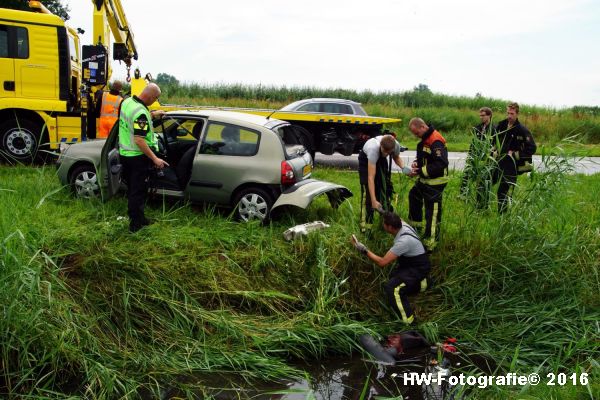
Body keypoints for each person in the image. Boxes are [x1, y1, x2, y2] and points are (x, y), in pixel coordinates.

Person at [351, 212, 431, 324]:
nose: (382, 224)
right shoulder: (402, 224)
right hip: (412, 263)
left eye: (384, 223)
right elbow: (398, 217)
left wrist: (363, 249)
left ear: (390, 227)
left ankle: (408, 320)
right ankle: (423, 284)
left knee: (393, 288)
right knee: (393, 276)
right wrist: (382, 211)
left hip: (418, 268)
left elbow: (382, 262)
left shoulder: (403, 242)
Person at [118, 83, 169, 232]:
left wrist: (152, 114)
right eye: (156, 98)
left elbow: (133, 122)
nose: (155, 101)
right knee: (137, 192)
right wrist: (155, 159)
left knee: (134, 190)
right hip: (137, 157)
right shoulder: (140, 112)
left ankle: (140, 218)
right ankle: (135, 226)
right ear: (151, 96)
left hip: (125, 154)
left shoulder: (127, 102)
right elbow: (139, 140)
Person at [406, 118, 449, 251]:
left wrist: (420, 171)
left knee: (433, 212)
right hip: (425, 180)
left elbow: (441, 163)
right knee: (414, 196)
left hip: (435, 182)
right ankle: (416, 229)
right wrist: (416, 163)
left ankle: (431, 243)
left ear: (423, 127)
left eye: (416, 133)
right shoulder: (426, 138)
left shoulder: (435, 140)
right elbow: (426, 157)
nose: (416, 136)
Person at [358, 134, 410, 230]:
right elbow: (370, 177)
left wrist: (404, 168)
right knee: (368, 196)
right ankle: (365, 228)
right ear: (381, 146)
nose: (386, 154)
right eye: (384, 151)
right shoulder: (373, 150)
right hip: (366, 161)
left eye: (388, 152)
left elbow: (396, 157)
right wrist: (373, 200)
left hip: (380, 160)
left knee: (384, 189)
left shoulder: (396, 145)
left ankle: (386, 222)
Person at [491, 102, 537, 213]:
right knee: (485, 182)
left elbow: (532, 147)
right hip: (498, 162)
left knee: (503, 191)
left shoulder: (522, 129)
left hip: (511, 166)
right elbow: (493, 140)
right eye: (508, 113)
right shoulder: (501, 125)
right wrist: (494, 150)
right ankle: (481, 210)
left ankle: (502, 216)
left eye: (512, 114)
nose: (509, 116)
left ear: (517, 114)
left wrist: (516, 154)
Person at [460, 107, 495, 208]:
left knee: (483, 179)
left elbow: (494, 144)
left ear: (489, 116)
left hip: (486, 158)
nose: (481, 117)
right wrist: (470, 155)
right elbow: (473, 142)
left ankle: (482, 202)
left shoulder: (494, 128)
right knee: (466, 173)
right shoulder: (478, 127)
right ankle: (463, 194)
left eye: (483, 115)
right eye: (480, 115)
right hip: (475, 156)